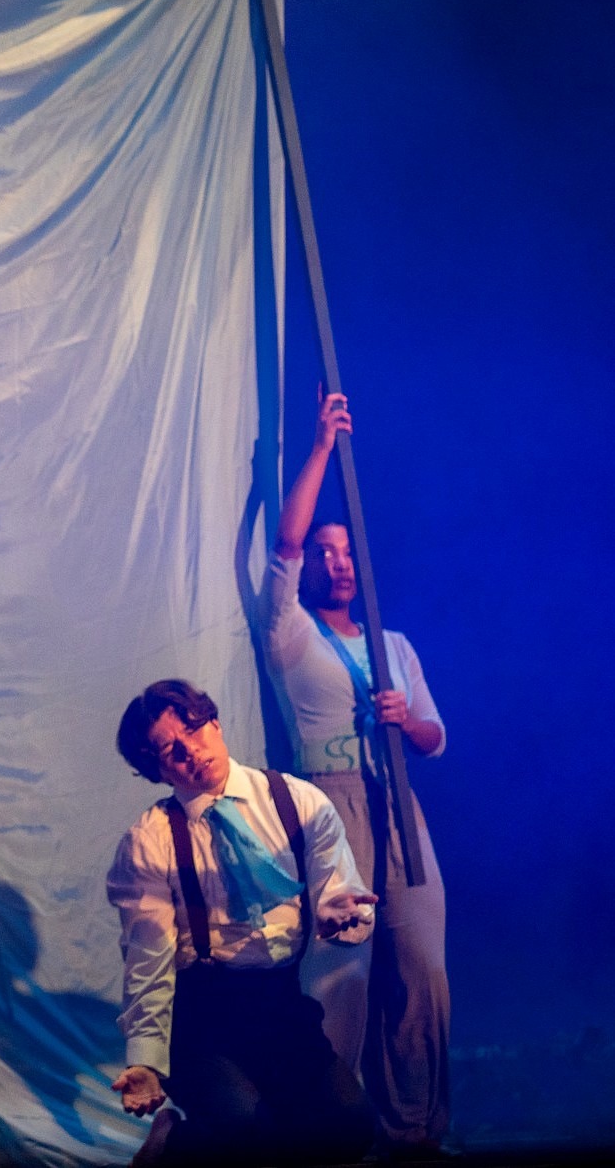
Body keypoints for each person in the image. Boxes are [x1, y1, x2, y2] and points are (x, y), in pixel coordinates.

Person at [268, 391, 450, 1154]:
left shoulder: (394, 641)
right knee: (342, 974)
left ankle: (417, 1130)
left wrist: (404, 721)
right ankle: (334, 1130)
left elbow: (436, 738)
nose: (337, 563)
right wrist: (318, 448)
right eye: (328, 554)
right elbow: (288, 537)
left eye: (350, 554)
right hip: (332, 806)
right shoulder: (291, 632)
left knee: (422, 974)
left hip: (399, 804)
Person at [107, 679, 377, 1166]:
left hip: (280, 1008)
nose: (191, 751)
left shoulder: (299, 802)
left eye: (193, 729)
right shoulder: (151, 840)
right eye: (170, 751)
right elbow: (147, 964)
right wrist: (145, 1061)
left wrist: (343, 914)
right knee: (247, 1133)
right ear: (157, 769)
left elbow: (344, 895)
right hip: (202, 1021)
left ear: (214, 722)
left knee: (350, 1128)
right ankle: (174, 1144)